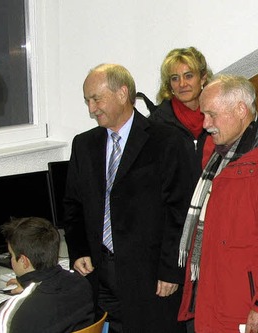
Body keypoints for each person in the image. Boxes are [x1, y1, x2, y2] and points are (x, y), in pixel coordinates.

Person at [64, 64, 193, 332]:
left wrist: (172, 270)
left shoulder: (167, 140)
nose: (91, 109)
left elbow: (180, 213)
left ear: (123, 93)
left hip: (152, 278)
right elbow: (73, 204)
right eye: (87, 100)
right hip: (100, 275)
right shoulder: (84, 145)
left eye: (96, 99)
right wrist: (79, 251)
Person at [176, 75, 258, 333]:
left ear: (240, 110)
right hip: (210, 297)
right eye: (204, 115)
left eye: (212, 115)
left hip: (247, 307)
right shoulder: (215, 153)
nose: (206, 124)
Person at [0, 217, 94, 333]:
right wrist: (29, 285)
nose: (11, 260)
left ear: (23, 261)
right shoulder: (81, 283)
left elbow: (12, 316)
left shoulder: (16, 312)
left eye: (11, 255)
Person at [151, 47, 214, 183]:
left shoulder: (220, 117)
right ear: (169, 85)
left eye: (188, 76)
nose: (182, 84)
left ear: (203, 78)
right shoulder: (156, 124)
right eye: (175, 78)